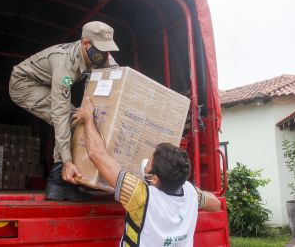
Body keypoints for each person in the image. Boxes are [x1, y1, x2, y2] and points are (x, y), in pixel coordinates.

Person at [71, 96, 221, 246]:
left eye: (149, 161)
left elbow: (96, 154)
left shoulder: (141, 196)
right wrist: (192, 195)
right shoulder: (190, 193)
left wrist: (89, 118)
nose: (146, 162)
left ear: (154, 179)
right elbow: (216, 204)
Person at [9, 21, 119, 201]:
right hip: (24, 84)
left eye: (107, 50)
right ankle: (59, 182)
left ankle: (68, 179)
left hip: (45, 82)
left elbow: (117, 72)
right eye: (100, 49)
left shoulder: (99, 55)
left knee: (77, 116)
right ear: (85, 43)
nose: (104, 55)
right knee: (70, 117)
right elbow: (59, 115)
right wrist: (67, 161)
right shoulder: (65, 65)